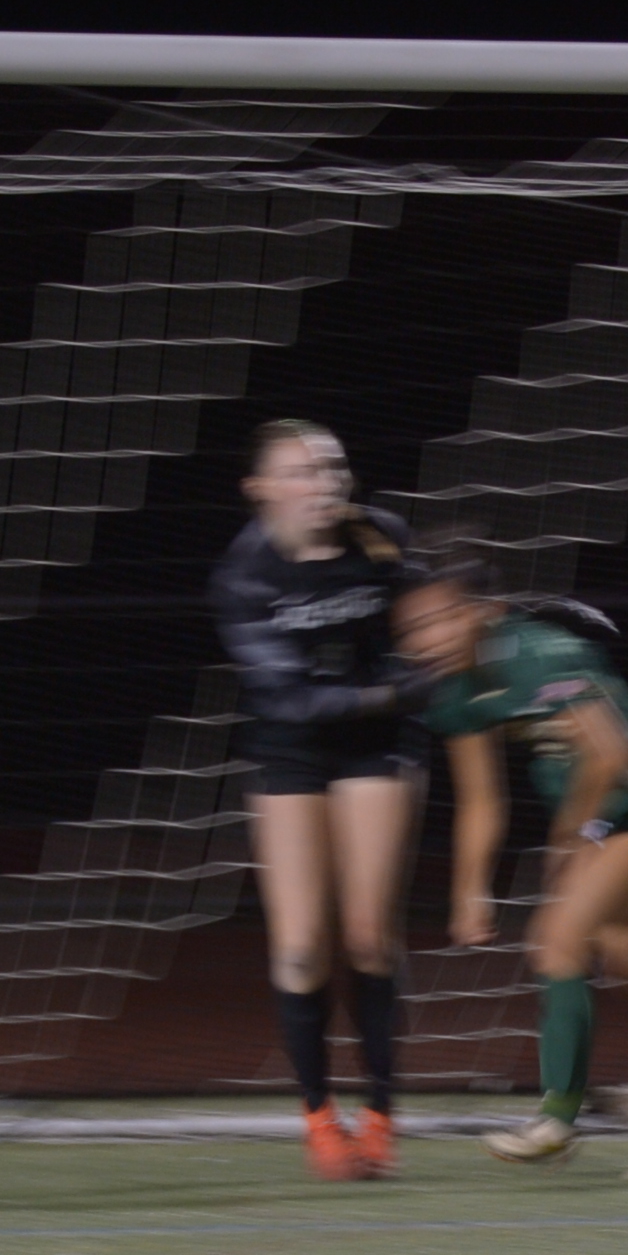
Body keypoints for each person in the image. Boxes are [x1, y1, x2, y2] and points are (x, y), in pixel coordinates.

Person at [396, 566, 628, 1183]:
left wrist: (576, 838)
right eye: (414, 628)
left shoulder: (540, 651)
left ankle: (557, 1121)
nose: (428, 638)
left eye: (442, 619)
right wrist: (470, 889)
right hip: (598, 821)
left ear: (483, 610)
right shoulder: (454, 693)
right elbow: (481, 801)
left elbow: (613, 755)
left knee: (556, 941)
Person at [211, 421, 420, 1178]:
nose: (325, 482)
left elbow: (432, 625)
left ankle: (381, 1116)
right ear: (261, 490)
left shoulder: (384, 539)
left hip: (377, 746)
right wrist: (397, 689)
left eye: (333, 466)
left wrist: (441, 653)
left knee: (368, 939)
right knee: (301, 950)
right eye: (302, 471)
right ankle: (319, 1119)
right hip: (292, 746)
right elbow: (290, 702)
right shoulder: (244, 577)